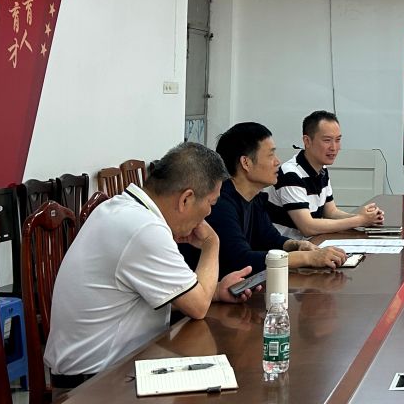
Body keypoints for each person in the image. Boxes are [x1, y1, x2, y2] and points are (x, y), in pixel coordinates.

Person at [45, 142, 255, 387]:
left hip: (109, 369)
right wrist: (211, 243)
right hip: (94, 384)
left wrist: (215, 292)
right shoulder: (144, 227)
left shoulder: (124, 208)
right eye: (211, 203)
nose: (209, 214)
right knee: (230, 380)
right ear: (186, 199)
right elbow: (197, 307)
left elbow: (158, 297)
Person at [181, 122, 348, 273]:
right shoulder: (220, 203)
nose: (277, 162)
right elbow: (241, 260)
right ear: (246, 163)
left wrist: (296, 245)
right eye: (270, 155)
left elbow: (271, 239)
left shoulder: (254, 198)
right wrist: (307, 258)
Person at [265, 110, 384, 239]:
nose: (334, 147)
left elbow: (331, 212)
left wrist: (366, 218)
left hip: (310, 244)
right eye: (327, 140)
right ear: (307, 141)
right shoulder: (290, 174)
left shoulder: (322, 169)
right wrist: (359, 220)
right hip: (286, 248)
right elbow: (308, 227)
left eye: (338, 140)